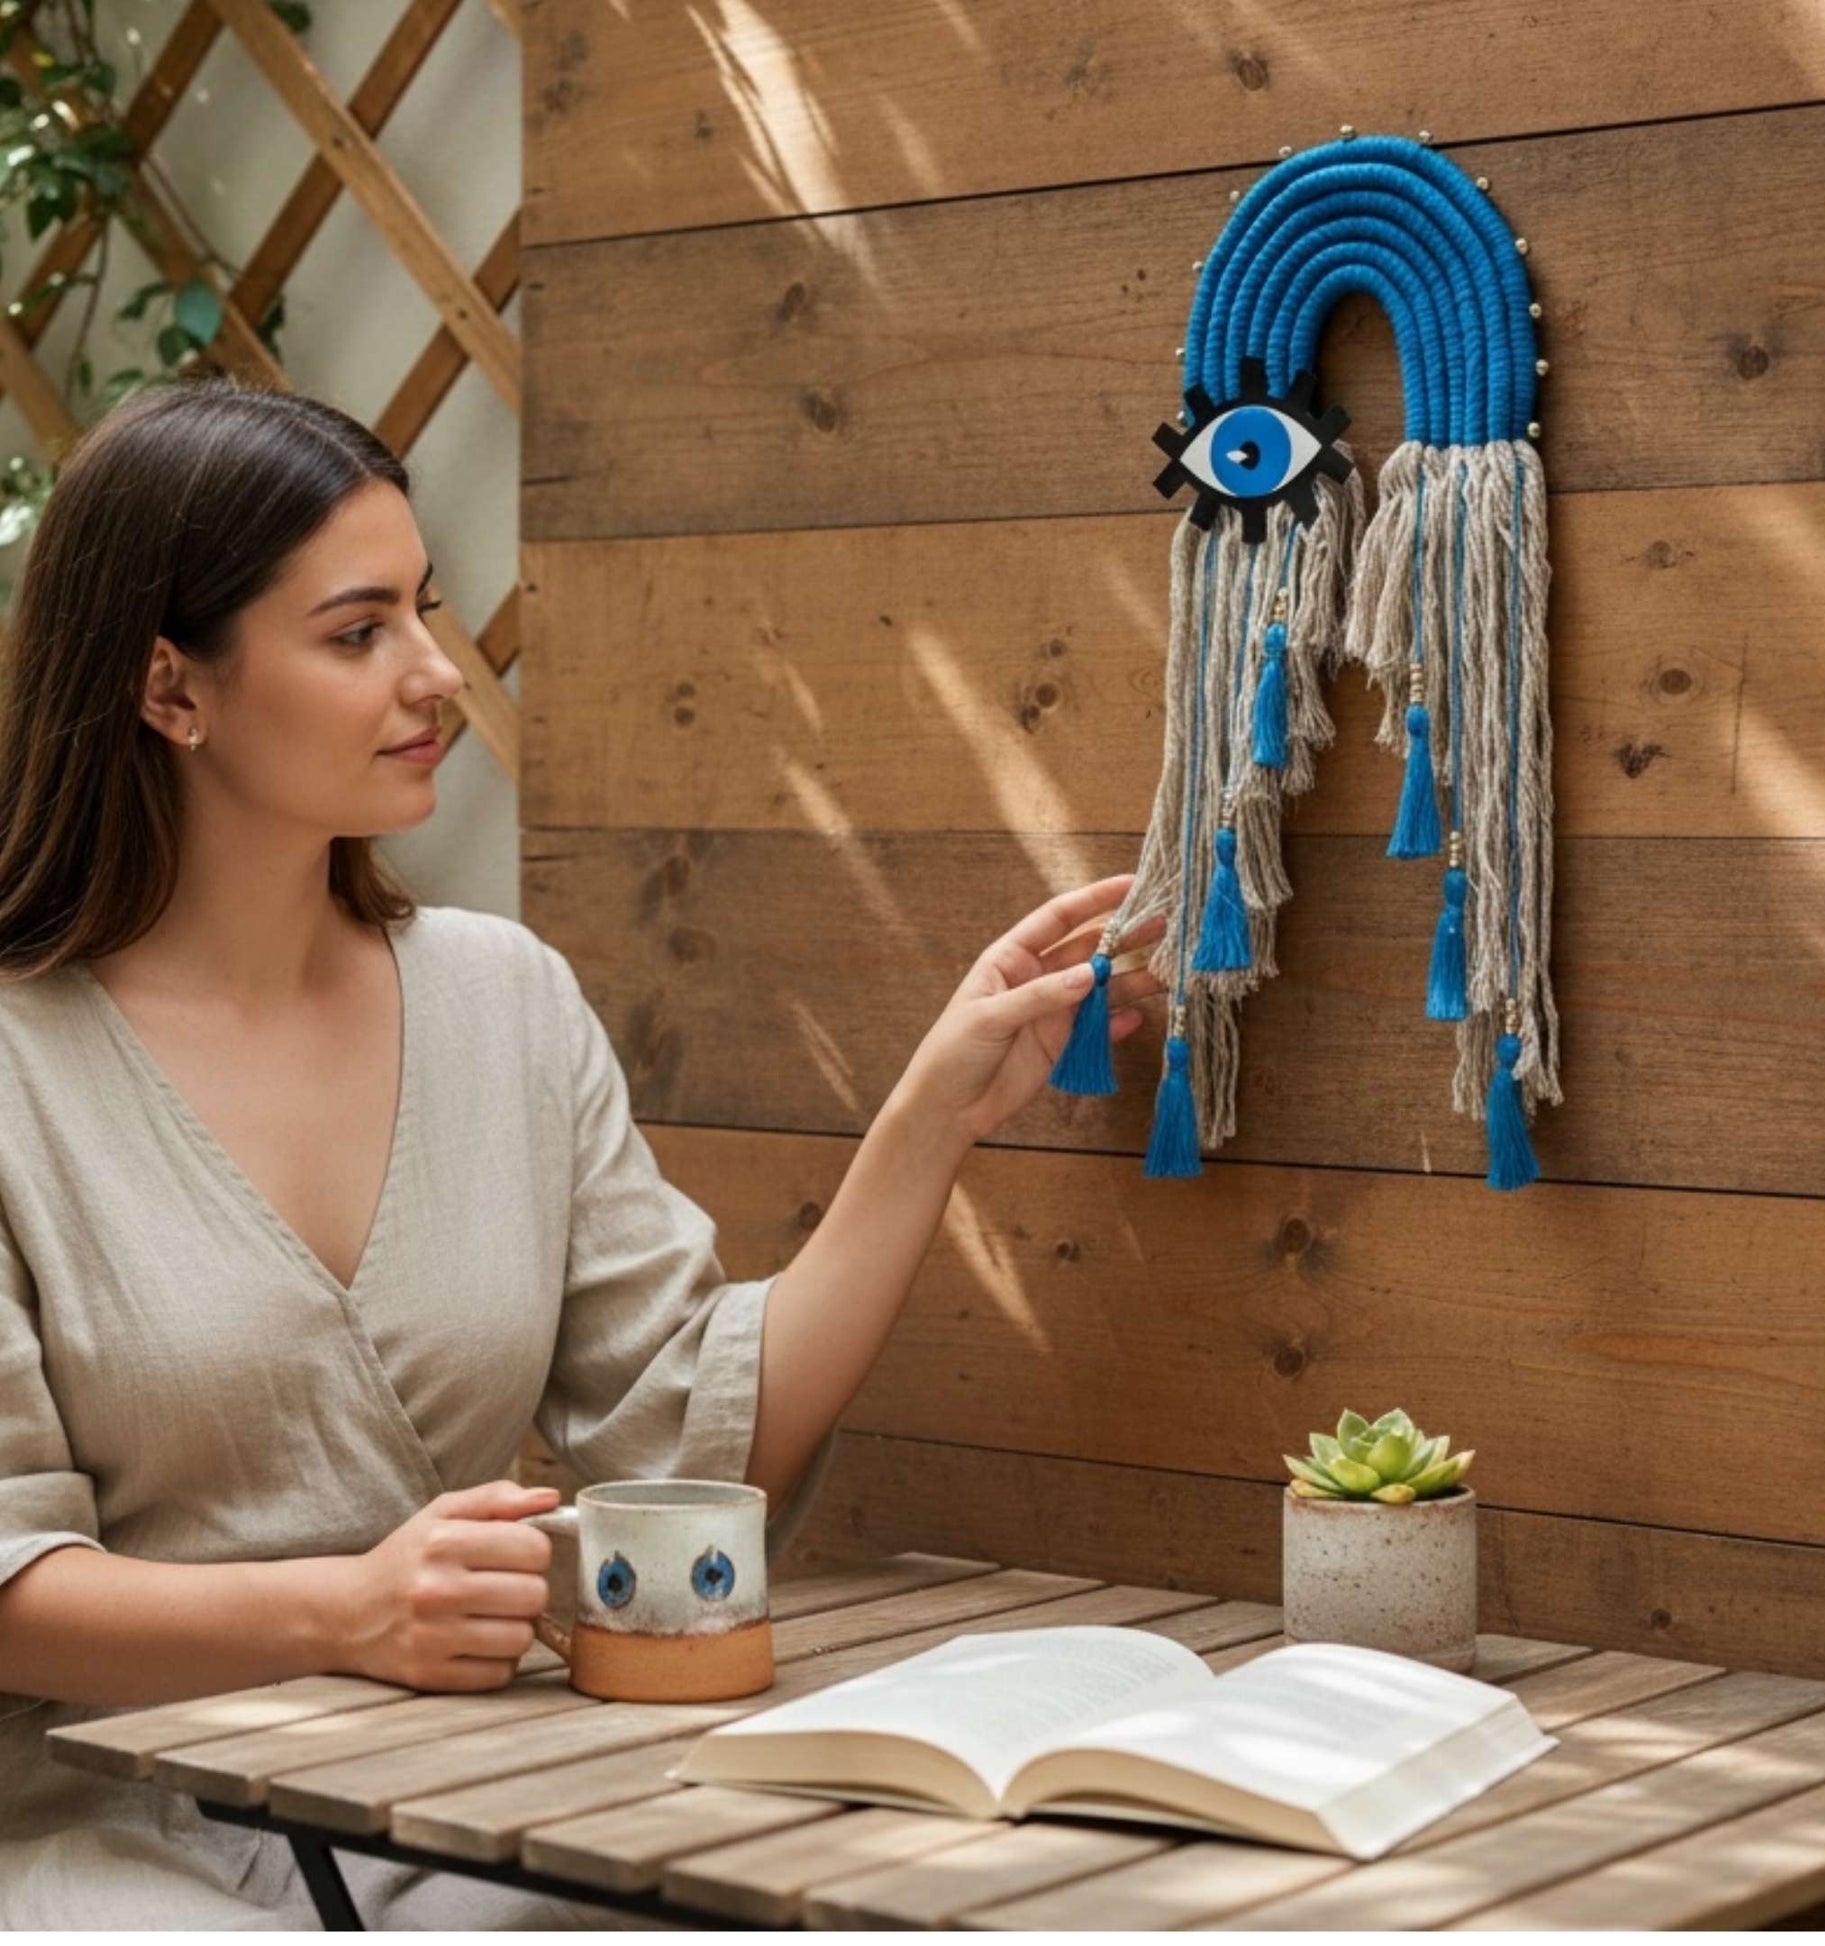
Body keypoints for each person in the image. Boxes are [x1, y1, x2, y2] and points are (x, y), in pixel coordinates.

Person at [0, 376, 1162, 1927]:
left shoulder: (502, 1001)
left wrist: (937, 1110)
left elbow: (684, 1442)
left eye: (425, 608)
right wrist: (343, 1609)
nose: (435, 673)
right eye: (356, 634)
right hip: (96, 1831)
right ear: (169, 686)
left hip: (457, 1803)